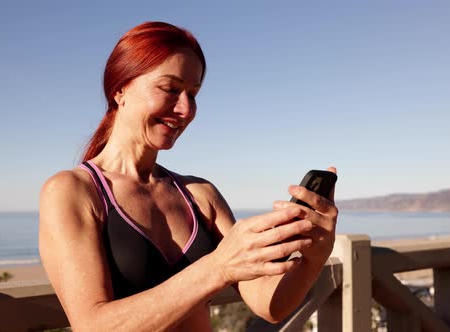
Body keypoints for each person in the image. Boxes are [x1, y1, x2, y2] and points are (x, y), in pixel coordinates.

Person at [39, 21, 338, 331]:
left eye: (192, 94)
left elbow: (268, 305)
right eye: (170, 89)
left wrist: (314, 257)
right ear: (120, 89)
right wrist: (218, 268)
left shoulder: (200, 195)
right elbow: (92, 326)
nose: (185, 109)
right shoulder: (72, 192)